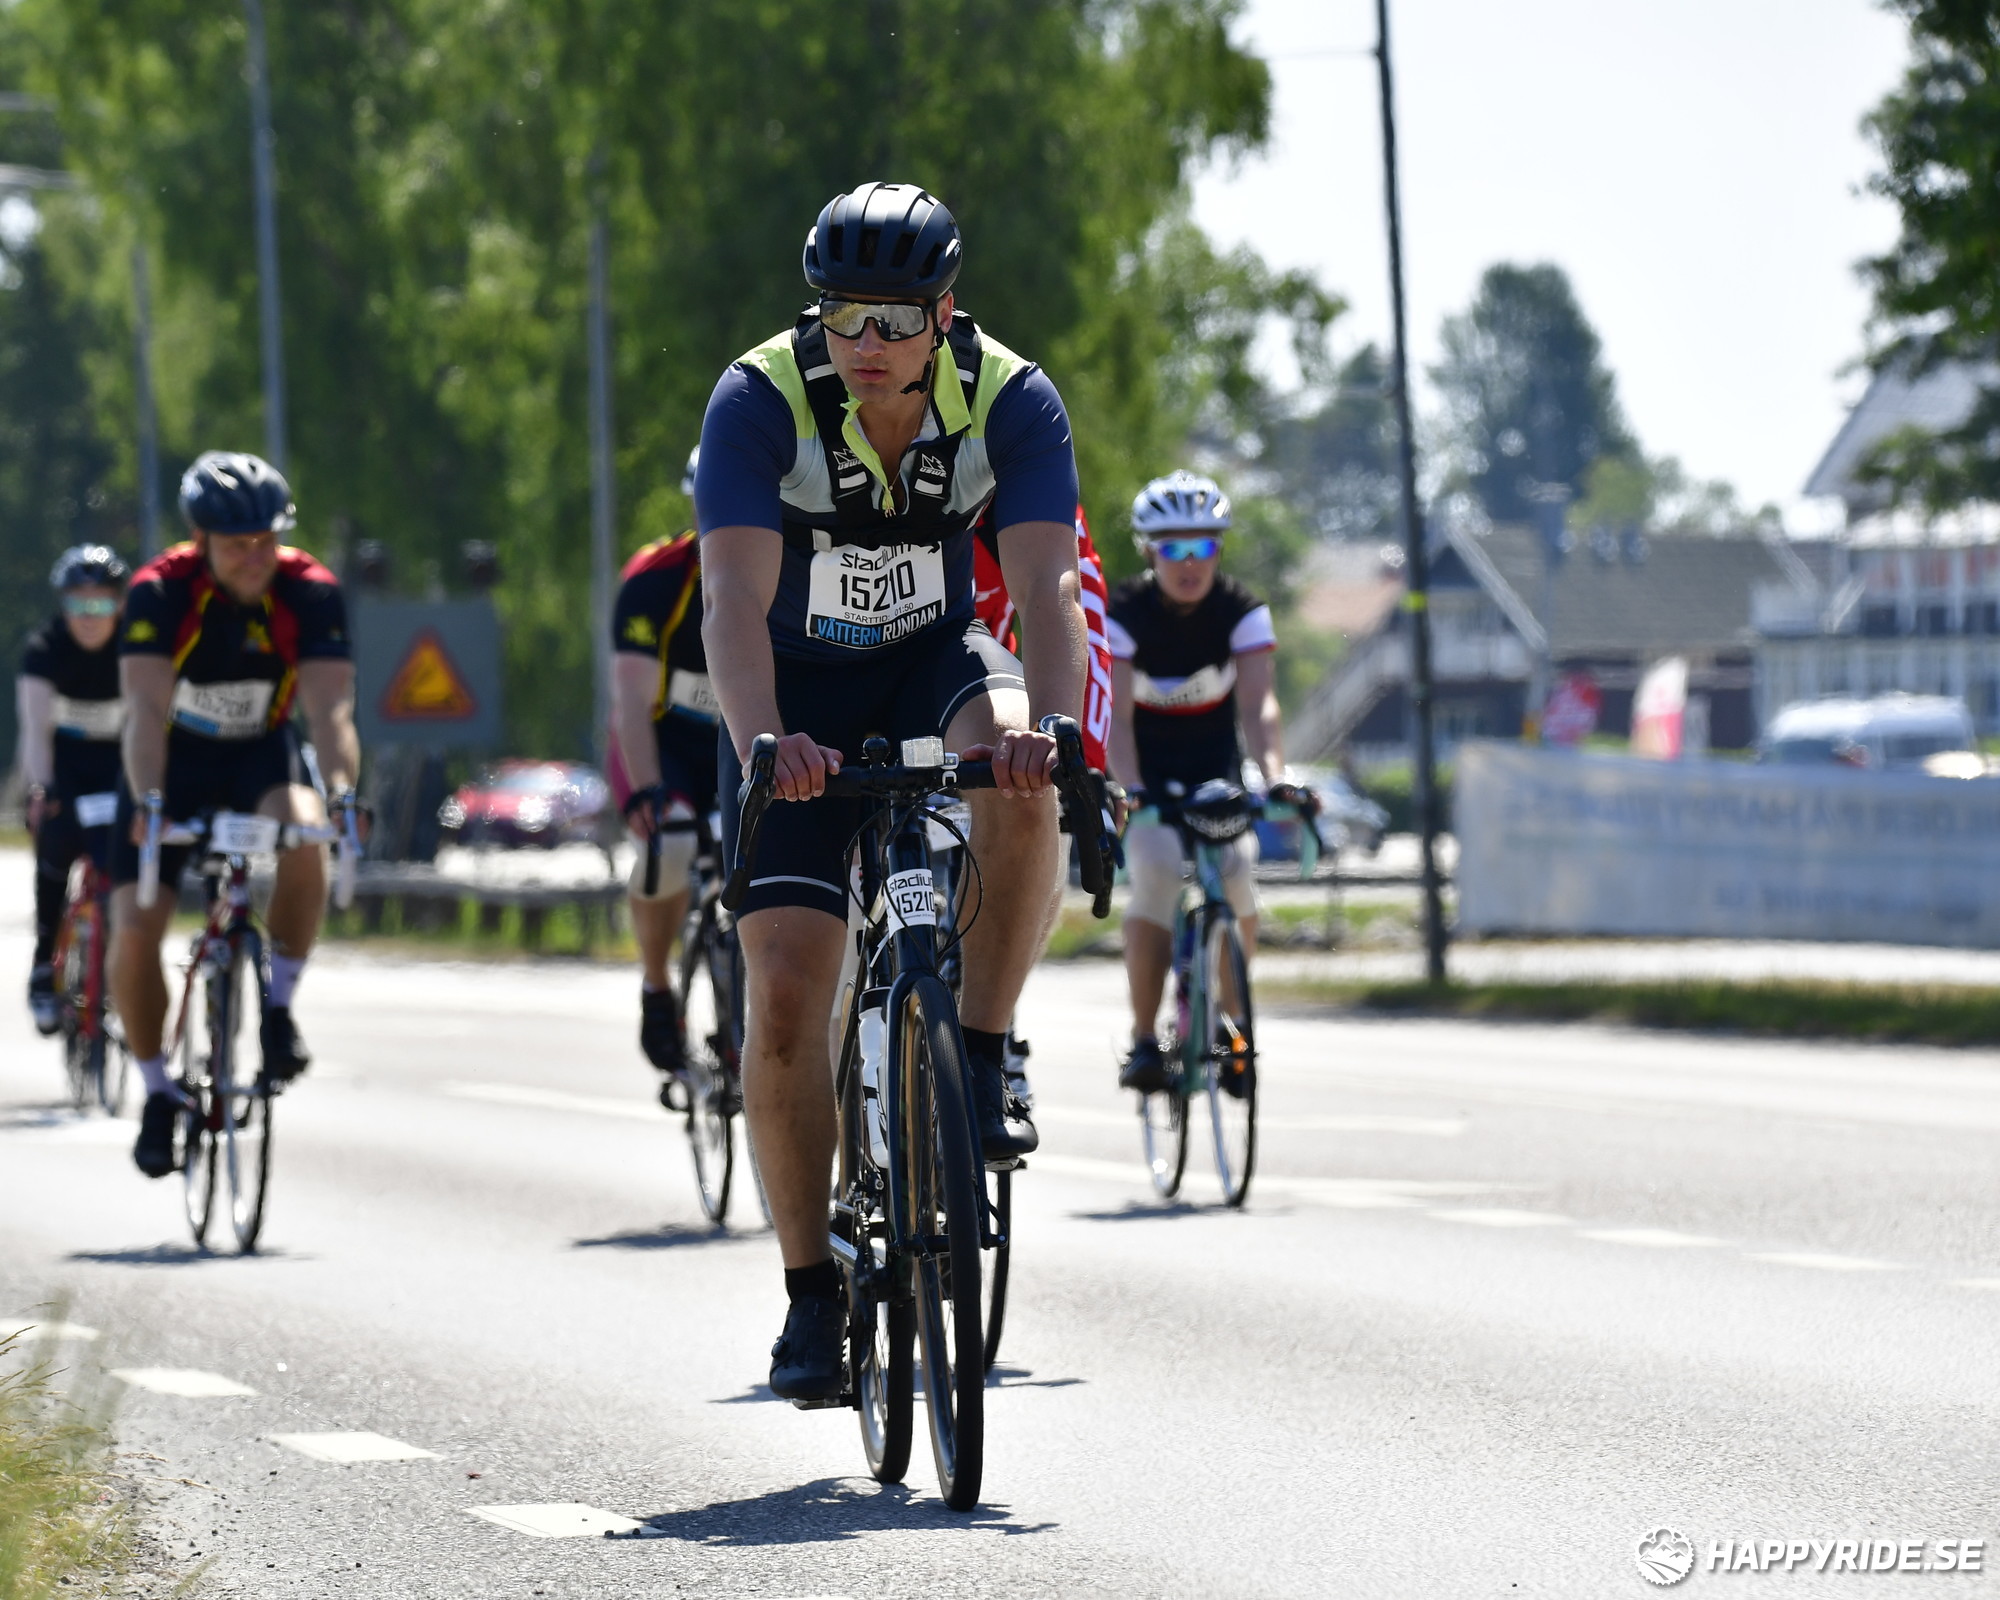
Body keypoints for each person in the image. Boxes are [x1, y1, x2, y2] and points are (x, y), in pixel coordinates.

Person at [698, 181, 1087, 1401]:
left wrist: (1057, 728)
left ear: (944, 314)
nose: (866, 343)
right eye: (843, 315)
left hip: (932, 658)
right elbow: (730, 604)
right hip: (792, 696)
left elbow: (1047, 591)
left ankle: (982, 1042)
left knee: (1020, 773)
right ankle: (811, 1291)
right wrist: (765, 742)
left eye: (896, 320)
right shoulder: (759, 397)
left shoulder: (1009, 397)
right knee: (782, 998)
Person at [111, 451, 360, 1179]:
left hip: (258, 754)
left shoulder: (310, 591)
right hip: (169, 762)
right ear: (200, 541)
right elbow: (144, 709)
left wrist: (343, 794)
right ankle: (158, 1090)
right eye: (236, 545)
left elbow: (330, 710)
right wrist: (150, 803)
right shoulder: (160, 591)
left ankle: (278, 1009)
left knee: (307, 831)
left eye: (266, 541)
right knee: (136, 927)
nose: (255, 558)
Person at [1105, 470, 1305, 1092]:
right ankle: (1143, 1039)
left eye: (1203, 546)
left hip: (1216, 777)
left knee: (1238, 873)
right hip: (1147, 779)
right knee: (1158, 871)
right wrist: (1130, 788)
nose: (1189, 562)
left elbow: (1259, 706)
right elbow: (1116, 720)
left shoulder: (1240, 611)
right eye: (1173, 548)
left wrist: (1274, 777)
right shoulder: (1123, 613)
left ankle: (1233, 1025)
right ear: (1149, 551)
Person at [608, 447, 720, 1096]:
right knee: (669, 843)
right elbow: (629, 702)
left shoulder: (794, 566)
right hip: (661, 743)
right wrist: (649, 790)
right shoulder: (656, 579)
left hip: (740, 742)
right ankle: (657, 987)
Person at [17, 546, 130, 1034]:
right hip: (63, 765)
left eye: (100, 603)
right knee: (56, 841)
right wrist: (41, 788)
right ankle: (44, 966)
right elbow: (35, 730)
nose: (88, 616)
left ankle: (120, 972)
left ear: (119, 604)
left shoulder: (133, 648)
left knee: (122, 859)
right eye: (77, 604)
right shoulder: (45, 649)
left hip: (117, 766)